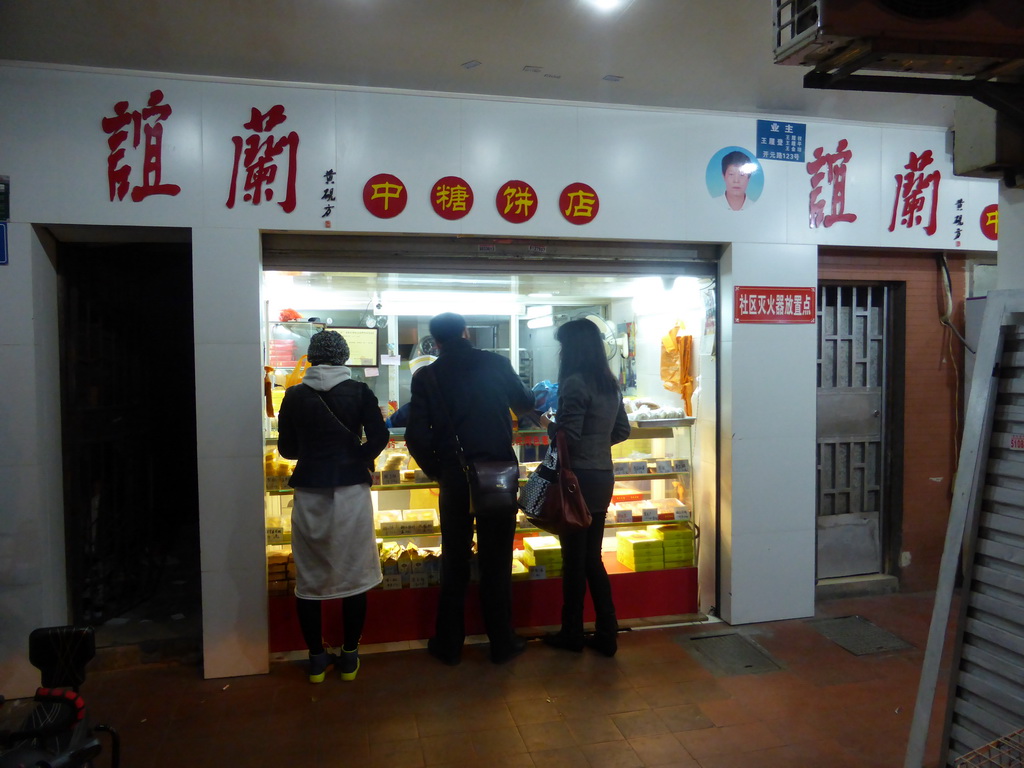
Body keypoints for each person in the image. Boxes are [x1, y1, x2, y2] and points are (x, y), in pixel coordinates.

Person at [405, 312, 535, 665]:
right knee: (496, 559)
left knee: (456, 560)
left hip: (455, 479)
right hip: (497, 475)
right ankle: (502, 641)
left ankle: (449, 644)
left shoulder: (427, 376)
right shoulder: (495, 363)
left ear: (435, 341)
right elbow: (525, 404)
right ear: (465, 333)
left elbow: (417, 436)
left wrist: (441, 471)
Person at [277, 330, 390, 682]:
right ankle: (350, 657)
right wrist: (356, 457)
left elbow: (287, 450)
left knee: (310, 577)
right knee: (354, 573)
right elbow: (381, 436)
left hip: (310, 494)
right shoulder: (359, 391)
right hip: (352, 493)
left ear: (311, 357)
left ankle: (315, 660)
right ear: (343, 358)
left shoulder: (294, 395)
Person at [542, 318, 631, 656]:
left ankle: (572, 633)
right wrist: (598, 445)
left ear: (573, 349)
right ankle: (607, 632)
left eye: (563, 346)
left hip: (575, 480)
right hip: (601, 477)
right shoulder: (609, 384)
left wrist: (546, 423)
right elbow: (622, 430)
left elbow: (568, 435)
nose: (561, 352)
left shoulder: (575, 383)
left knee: (574, 561)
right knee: (592, 557)